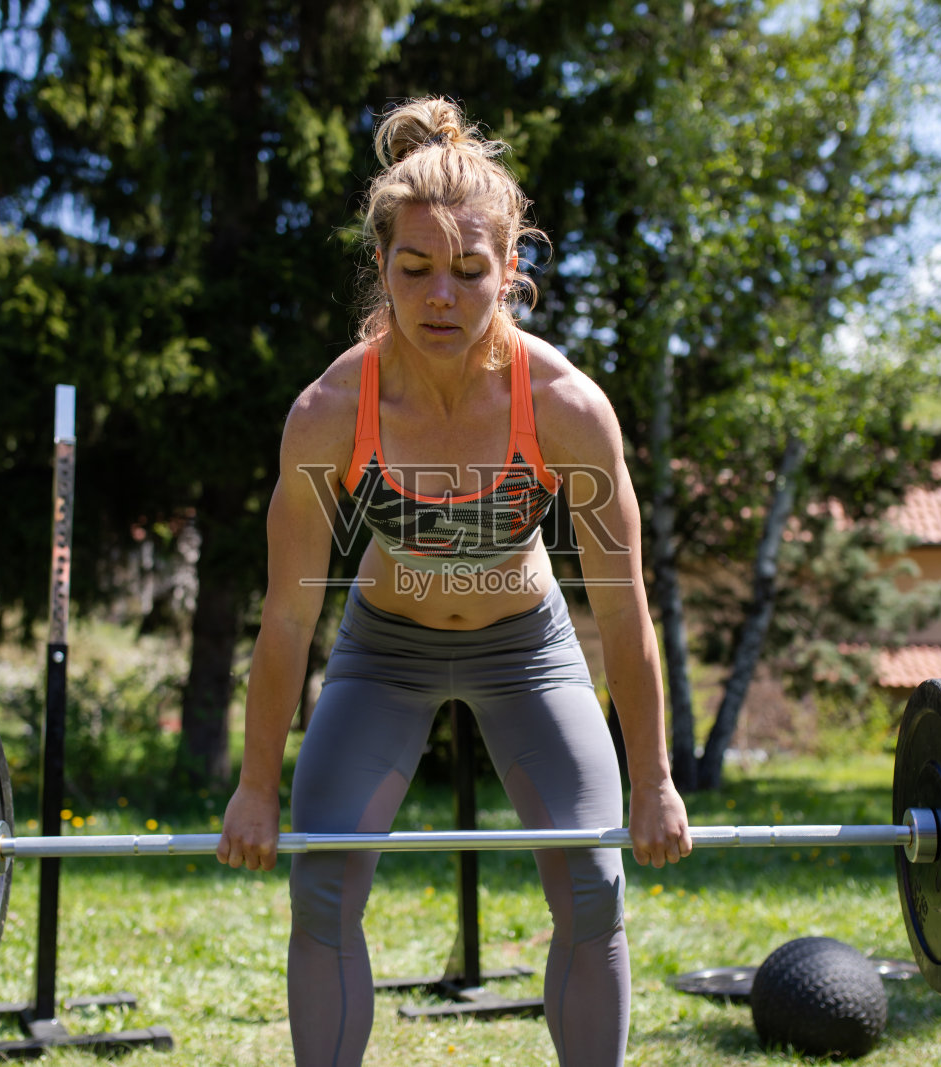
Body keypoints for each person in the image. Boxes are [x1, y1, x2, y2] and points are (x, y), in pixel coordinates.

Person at [215, 97, 692, 1067]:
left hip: (527, 648)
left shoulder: (565, 407)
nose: (441, 296)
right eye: (415, 269)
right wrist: (253, 785)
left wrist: (655, 780)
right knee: (322, 886)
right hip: (382, 653)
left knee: (594, 885)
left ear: (511, 272)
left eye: (470, 272)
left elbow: (623, 605)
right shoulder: (329, 413)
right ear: (381, 268)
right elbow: (289, 616)